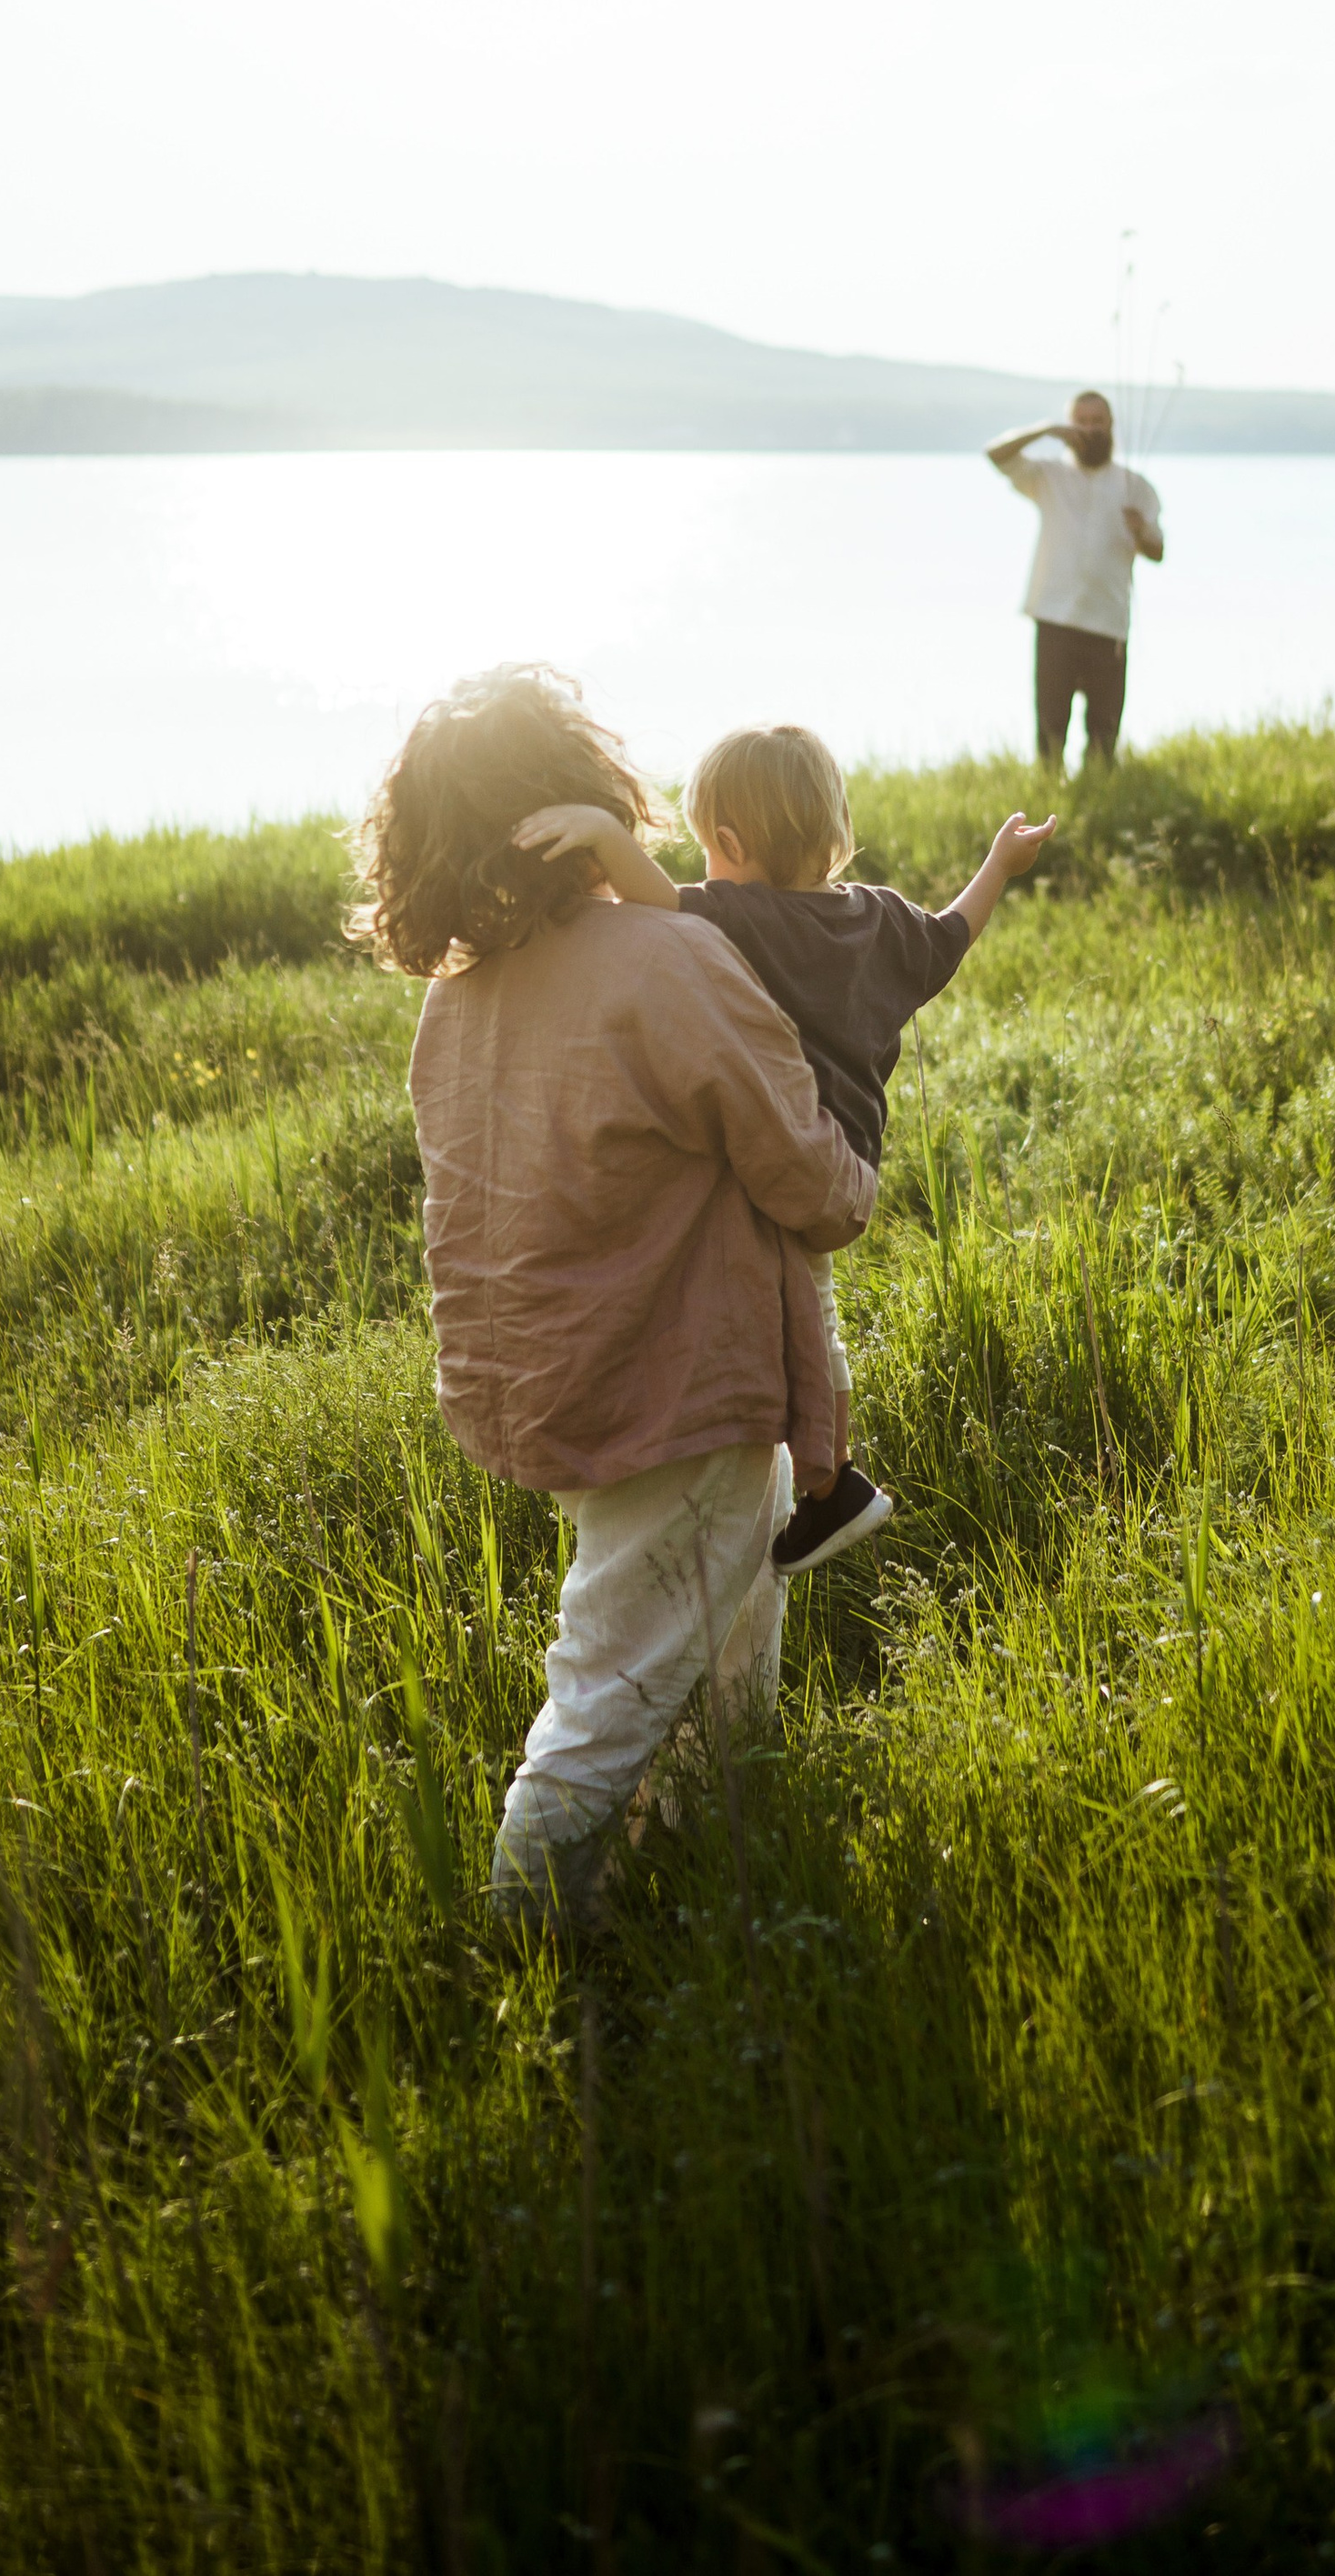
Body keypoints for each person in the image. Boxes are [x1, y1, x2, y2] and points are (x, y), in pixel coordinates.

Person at [354, 665, 874, 1934]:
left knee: (732, 1630)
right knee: (612, 1687)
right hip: (679, 1380)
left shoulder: (459, 994)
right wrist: (852, 1159)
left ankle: (717, 1861)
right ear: (582, 797)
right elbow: (817, 1188)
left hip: (562, 1375)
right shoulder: (668, 961)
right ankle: (530, 1939)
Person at [517, 722, 1052, 1573]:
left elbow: (657, 906)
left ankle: (830, 1483)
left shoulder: (747, 917)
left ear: (730, 844)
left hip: (784, 1157)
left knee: (809, 1324)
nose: (702, 871)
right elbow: (952, 936)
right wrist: (1000, 865)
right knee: (818, 1309)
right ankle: (827, 1479)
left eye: (705, 852)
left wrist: (606, 837)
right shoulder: (877, 919)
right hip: (851, 1159)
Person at [986, 389, 1163, 766]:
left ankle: (1098, 809)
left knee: (1104, 734)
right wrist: (1047, 430)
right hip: (1055, 619)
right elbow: (994, 453)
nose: (1089, 429)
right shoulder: (1047, 476)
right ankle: (1048, 812)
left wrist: (1142, 532)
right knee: (1050, 732)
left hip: (1109, 625)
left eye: (1097, 421)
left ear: (1111, 425)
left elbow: (1157, 551)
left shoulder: (1136, 488)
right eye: (1080, 421)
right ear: (1070, 425)